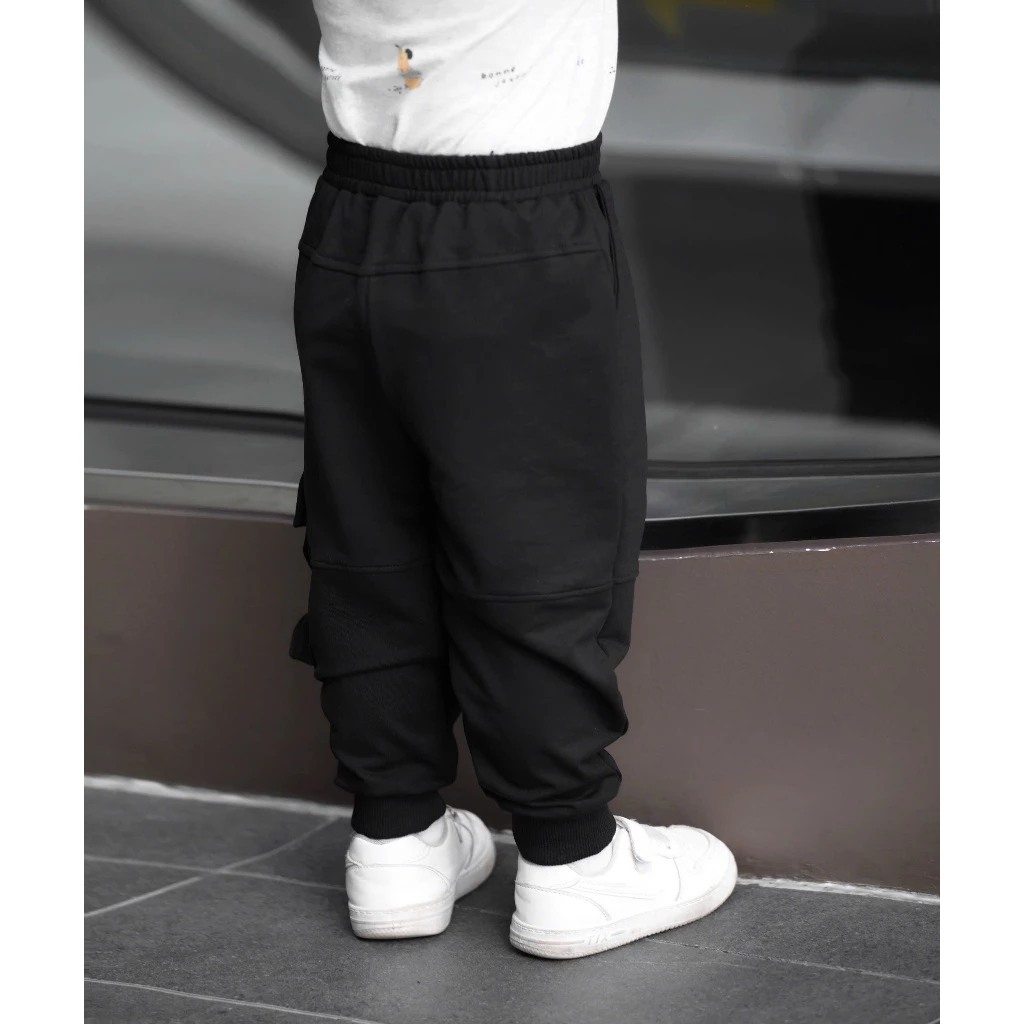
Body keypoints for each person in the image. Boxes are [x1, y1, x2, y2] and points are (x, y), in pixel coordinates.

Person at [289, 0, 736, 959]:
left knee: (369, 535)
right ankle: (571, 855)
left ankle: (397, 836)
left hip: (351, 219)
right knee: (538, 544)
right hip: (515, 227)